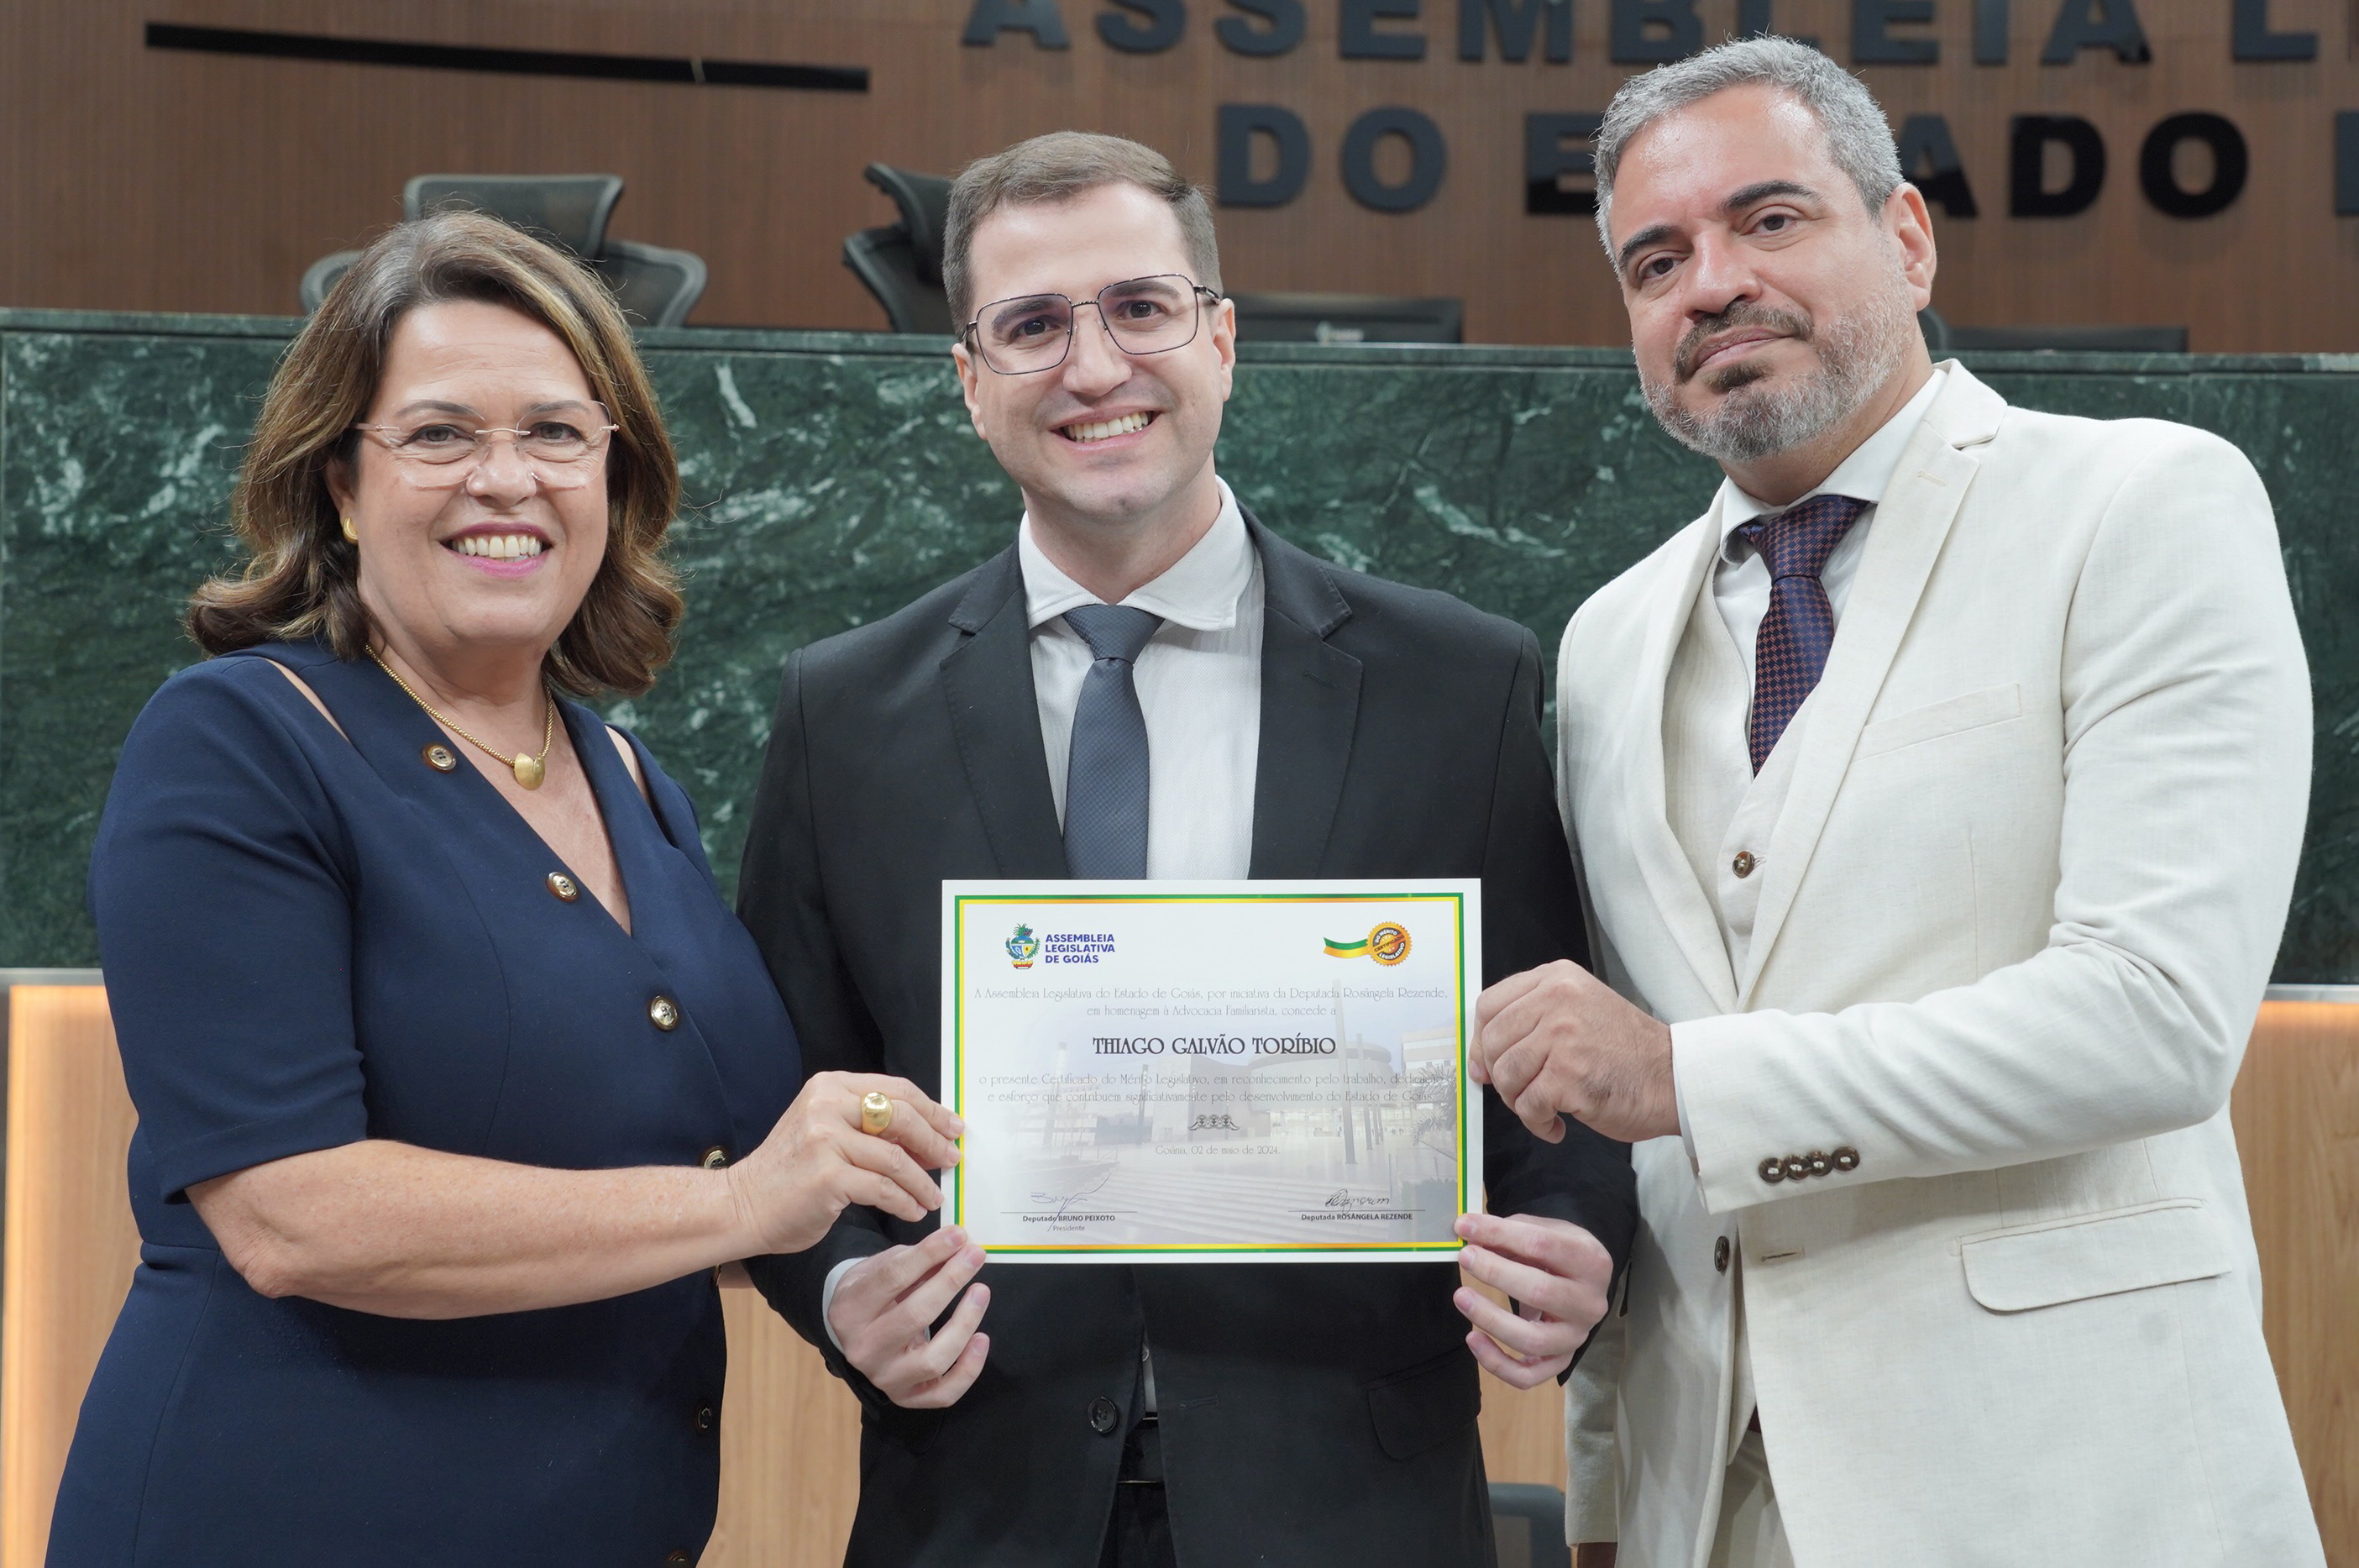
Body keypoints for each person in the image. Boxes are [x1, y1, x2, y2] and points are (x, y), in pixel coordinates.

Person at [1463, 37, 2328, 1568]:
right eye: (1655, 261)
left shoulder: (2139, 505)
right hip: (1704, 1510)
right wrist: (1606, 1501)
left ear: (1908, 238)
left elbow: (2153, 1018)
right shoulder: (1604, 639)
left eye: (1768, 219)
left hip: (2066, 1491)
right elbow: (1626, 1135)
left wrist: (1686, 1077)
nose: (1710, 284)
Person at [735, 131, 1638, 1567]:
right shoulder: (842, 712)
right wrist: (842, 1292)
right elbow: (778, 1100)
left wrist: (1578, 1246)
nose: (1094, 367)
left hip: (1351, 1509)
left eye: (1140, 308)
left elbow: (1560, 1084)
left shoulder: (1456, 684)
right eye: (1031, 325)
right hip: (974, 1498)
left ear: (1220, 340)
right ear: (967, 378)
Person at [51, 211, 962, 1568]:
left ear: (613, 475)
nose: (505, 479)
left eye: (553, 433)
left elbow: (721, 1160)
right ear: (341, 484)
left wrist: (849, 1296)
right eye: (438, 434)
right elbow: (291, 1215)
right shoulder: (240, 740)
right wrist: (743, 1207)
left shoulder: (632, 781)